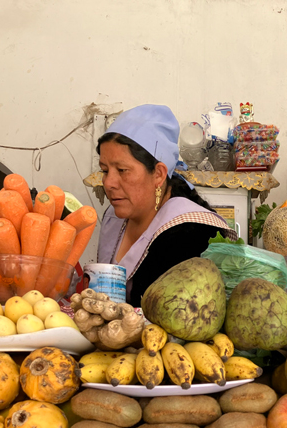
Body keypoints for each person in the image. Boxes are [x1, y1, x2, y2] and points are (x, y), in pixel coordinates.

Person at [97, 104, 237, 305]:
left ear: (159, 174)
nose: (109, 183)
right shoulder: (113, 218)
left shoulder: (191, 233)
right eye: (104, 170)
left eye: (121, 170)